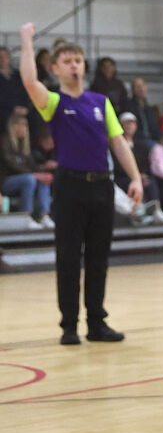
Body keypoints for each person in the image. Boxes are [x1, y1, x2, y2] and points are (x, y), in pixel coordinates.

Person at [19, 26, 143, 345]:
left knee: (99, 259)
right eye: (68, 61)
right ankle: (69, 326)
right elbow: (30, 82)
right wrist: (27, 40)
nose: (74, 65)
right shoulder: (54, 102)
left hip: (101, 186)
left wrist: (136, 178)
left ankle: (97, 323)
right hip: (70, 187)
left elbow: (118, 143)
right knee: (69, 257)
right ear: (56, 68)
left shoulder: (100, 102)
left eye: (78, 60)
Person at [1, 106, 54, 228]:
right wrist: (34, 175)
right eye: (19, 125)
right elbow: (12, 165)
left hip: (25, 178)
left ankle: (44, 215)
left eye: (24, 126)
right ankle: (27, 216)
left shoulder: (24, 145)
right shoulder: (5, 141)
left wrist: (42, 169)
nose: (22, 129)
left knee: (44, 180)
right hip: (6, 181)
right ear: (12, 127)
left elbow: (32, 166)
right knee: (30, 179)